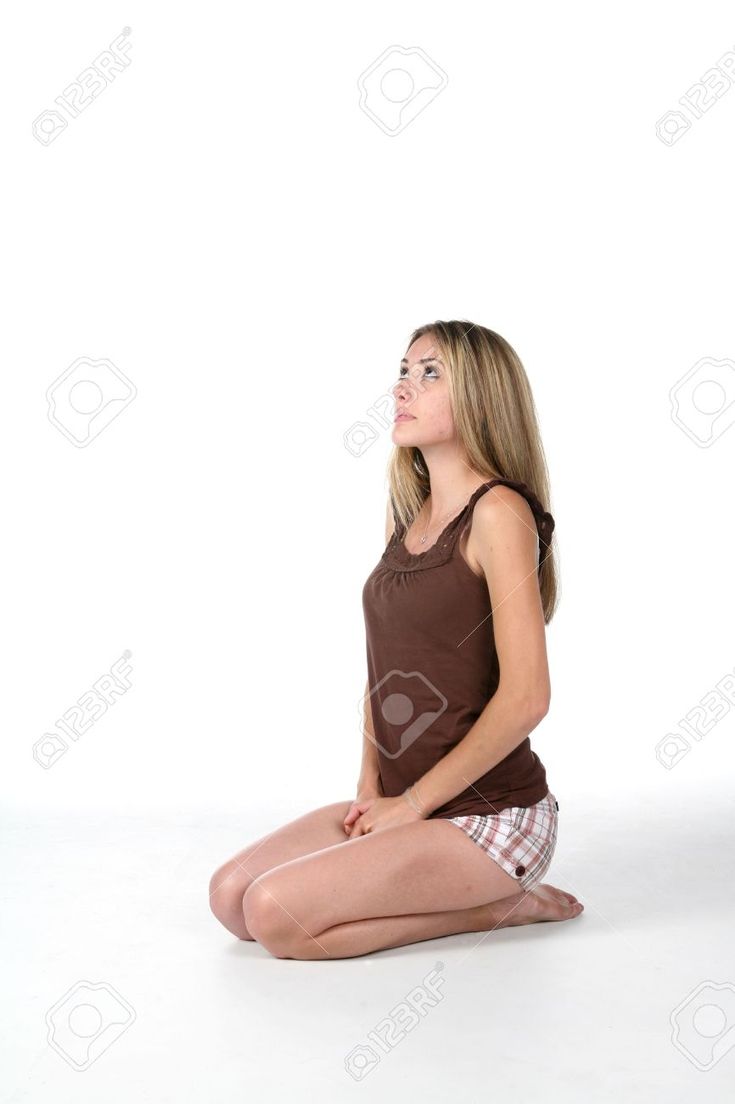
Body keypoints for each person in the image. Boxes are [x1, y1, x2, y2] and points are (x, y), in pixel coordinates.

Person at [209, 319, 583, 959]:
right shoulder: (404, 515)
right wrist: (371, 789)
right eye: (404, 371)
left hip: (491, 819)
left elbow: (527, 699)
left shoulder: (498, 513)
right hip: (404, 802)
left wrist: (410, 805)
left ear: (481, 398)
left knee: (275, 917)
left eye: (429, 373)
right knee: (230, 898)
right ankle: (455, 882)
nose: (403, 388)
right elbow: (385, 673)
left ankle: (496, 906)